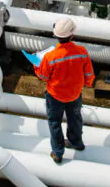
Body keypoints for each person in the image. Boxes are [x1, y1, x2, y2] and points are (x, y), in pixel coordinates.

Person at [34, 17, 95, 164]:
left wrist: (37, 64)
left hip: (55, 96)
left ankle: (58, 153)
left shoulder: (50, 56)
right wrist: (87, 83)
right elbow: (89, 73)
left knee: (55, 122)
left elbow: (43, 76)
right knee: (75, 119)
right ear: (71, 35)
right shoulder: (81, 52)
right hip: (74, 94)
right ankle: (76, 143)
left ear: (56, 36)